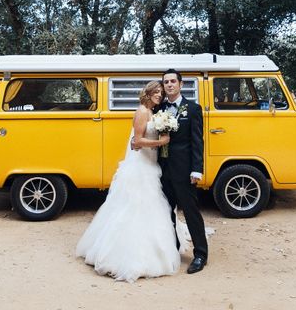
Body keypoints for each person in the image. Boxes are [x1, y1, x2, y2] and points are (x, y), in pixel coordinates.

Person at [76, 81, 181, 282]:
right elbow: (137, 142)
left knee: (152, 207)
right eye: (156, 91)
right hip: (140, 166)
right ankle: (129, 255)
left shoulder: (153, 112)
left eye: (161, 92)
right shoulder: (142, 111)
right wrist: (161, 142)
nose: (159, 94)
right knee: (136, 207)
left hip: (151, 163)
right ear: (148, 93)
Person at [159, 68, 208, 274]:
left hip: (185, 170)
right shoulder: (158, 109)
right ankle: (173, 249)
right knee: (166, 212)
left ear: (181, 84)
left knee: (191, 212)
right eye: (166, 82)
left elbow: (198, 141)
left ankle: (200, 255)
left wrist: (197, 169)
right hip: (162, 171)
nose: (169, 85)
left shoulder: (193, 108)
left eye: (172, 81)